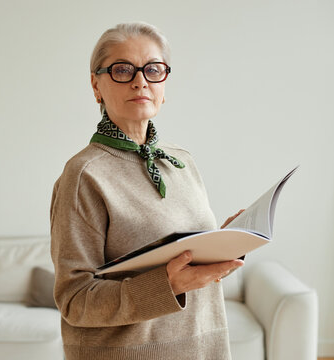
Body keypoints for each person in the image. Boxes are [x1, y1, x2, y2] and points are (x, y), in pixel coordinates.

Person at [50, 22, 244, 360]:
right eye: (122, 70)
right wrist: (167, 285)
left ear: (164, 84)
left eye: (153, 69)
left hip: (202, 347)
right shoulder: (83, 175)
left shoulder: (182, 161)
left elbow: (189, 266)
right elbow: (75, 300)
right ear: (96, 85)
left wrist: (223, 247)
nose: (140, 80)